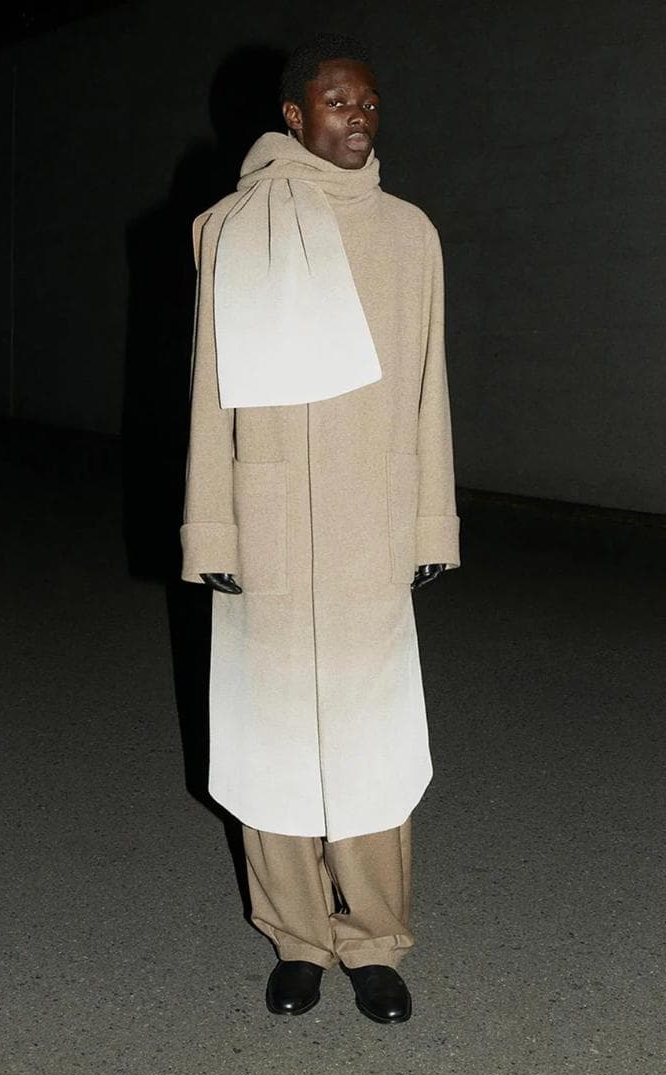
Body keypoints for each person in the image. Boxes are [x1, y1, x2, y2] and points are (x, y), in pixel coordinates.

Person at [180, 33, 460, 1024]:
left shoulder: (410, 235)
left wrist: (431, 521)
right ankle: (297, 937)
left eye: (370, 103)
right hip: (264, 530)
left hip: (369, 528)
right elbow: (210, 393)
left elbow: (429, 390)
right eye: (338, 103)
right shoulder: (232, 228)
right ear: (295, 116)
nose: (359, 118)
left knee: (372, 745)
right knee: (272, 749)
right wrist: (211, 530)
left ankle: (374, 941)